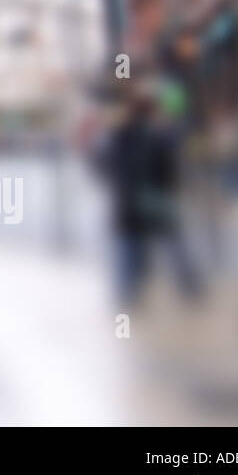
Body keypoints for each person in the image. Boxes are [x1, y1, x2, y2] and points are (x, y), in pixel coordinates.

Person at [95, 80, 202, 307]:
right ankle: (187, 285)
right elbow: (168, 165)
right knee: (169, 242)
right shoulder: (155, 134)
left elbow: (106, 162)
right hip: (153, 196)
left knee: (132, 247)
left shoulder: (121, 134)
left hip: (130, 200)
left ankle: (128, 293)